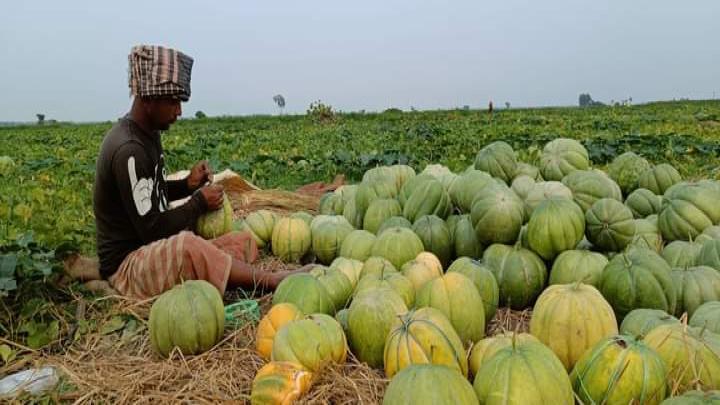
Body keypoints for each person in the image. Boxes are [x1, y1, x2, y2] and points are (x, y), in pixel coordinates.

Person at [89, 45, 305, 299]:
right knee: (189, 246)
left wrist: (187, 185)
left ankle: (218, 271)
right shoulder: (129, 150)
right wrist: (198, 203)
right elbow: (152, 229)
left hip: (150, 248)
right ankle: (271, 281)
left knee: (242, 241)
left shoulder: (148, 135)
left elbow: (150, 194)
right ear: (148, 98)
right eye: (173, 101)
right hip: (128, 265)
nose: (179, 111)